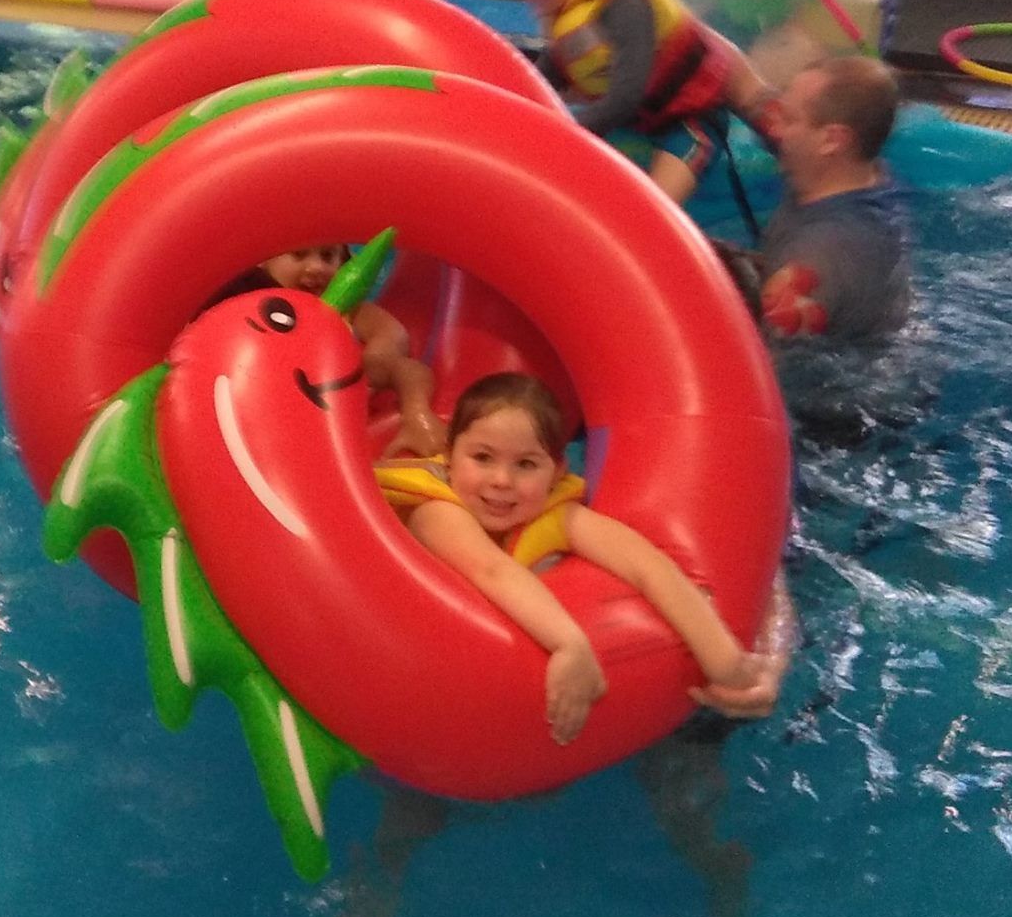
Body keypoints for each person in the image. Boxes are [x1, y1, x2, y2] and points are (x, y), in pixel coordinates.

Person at [377, 372, 790, 746]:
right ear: (450, 457)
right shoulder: (436, 512)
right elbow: (491, 568)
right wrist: (570, 643)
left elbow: (648, 564)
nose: (501, 480)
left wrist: (725, 662)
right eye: (482, 458)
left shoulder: (558, 513)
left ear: (557, 472)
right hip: (426, 683)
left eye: (526, 464)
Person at [508, 0, 785, 206]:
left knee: (656, 205)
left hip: (690, 119)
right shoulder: (567, 12)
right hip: (642, 118)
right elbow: (553, 69)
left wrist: (565, 130)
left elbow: (627, 96)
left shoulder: (627, 6)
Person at [205, 245, 447, 458]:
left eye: (328, 255)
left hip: (340, 420)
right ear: (264, 261)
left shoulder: (350, 312)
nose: (316, 267)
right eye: (299, 254)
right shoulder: (251, 312)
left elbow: (398, 346)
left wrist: (417, 412)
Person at [755, 56, 912, 343]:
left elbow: (760, 367)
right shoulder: (865, 173)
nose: (773, 128)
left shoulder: (816, 258)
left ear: (832, 140)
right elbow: (745, 89)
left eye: (788, 119)